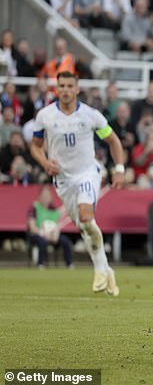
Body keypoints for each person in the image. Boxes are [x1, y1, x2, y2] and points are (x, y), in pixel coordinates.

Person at [30, 71, 125, 296]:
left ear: (77, 88)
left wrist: (119, 169)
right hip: (63, 180)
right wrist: (45, 162)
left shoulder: (91, 116)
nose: (64, 89)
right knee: (85, 227)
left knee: (86, 217)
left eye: (69, 85)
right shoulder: (45, 116)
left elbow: (113, 141)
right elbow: (35, 146)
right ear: (57, 89)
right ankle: (106, 270)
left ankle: (100, 271)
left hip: (87, 174)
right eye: (61, 85)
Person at [27, 185, 74, 268]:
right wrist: (42, 233)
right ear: (39, 196)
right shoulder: (34, 208)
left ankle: (69, 264)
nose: (46, 198)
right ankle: (40, 264)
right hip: (37, 234)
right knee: (42, 242)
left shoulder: (52, 209)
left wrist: (54, 234)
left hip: (51, 234)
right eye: (44, 195)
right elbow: (32, 227)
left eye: (48, 196)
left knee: (66, 241)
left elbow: (56, 223)